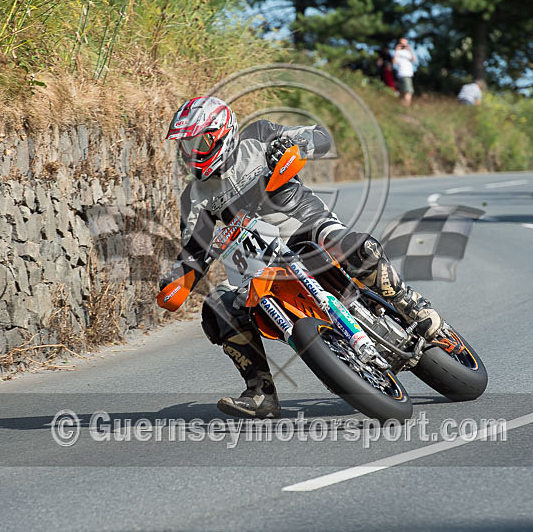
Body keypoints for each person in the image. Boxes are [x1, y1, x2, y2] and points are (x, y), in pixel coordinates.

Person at [158, 96, 443, 418]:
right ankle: (260, 392)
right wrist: (177, 278)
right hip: (260, 259)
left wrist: (295, 146)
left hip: (307, 227)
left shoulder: (259, 134)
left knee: (357, 248)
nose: (191, 152)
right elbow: (194, 250)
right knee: (218, 307)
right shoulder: (194, 197)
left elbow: (320, 136)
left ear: (222, 131)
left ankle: (410, 304)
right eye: (185, 145)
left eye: (199, 141)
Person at [392, 38, 416, 106]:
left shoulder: (407, 52)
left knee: (404, 92)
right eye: (402, 43)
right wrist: (396, 50)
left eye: (405, 43)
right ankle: (406, 106)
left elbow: (413, 59)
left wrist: (409, 50)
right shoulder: (398, 52)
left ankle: (402, 106)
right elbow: (394, 62)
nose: (404, 45)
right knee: (408, 91)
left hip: (408, 74)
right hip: (403, 73)